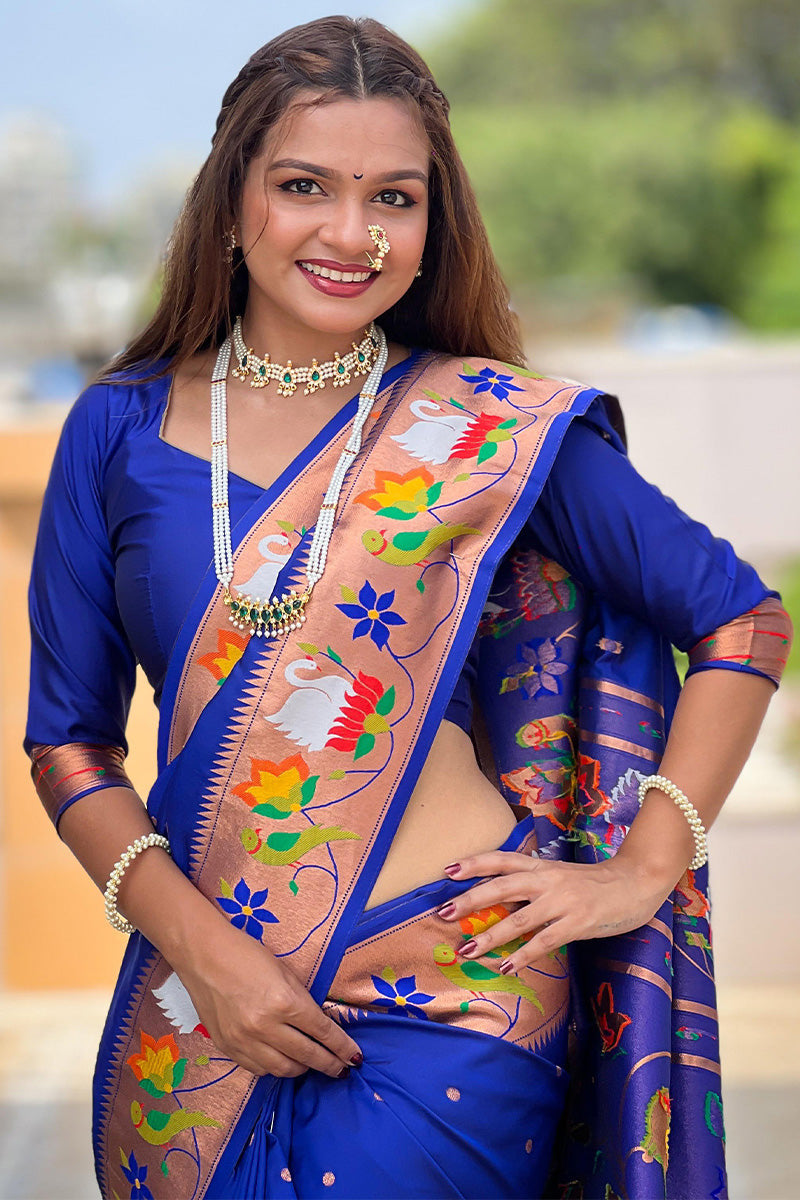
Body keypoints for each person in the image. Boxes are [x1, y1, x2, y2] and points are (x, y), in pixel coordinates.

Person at [25, 15, 792, 1200]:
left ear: (432, 227)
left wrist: (642, 867)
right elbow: (69, 742)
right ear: (231, 206)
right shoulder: (118, 431)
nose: (350, 233)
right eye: (303, 188)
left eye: (394, 198)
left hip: (455, 993)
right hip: (203, 1011)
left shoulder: (487, 426)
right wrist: (204, 953)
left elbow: (740, 619)